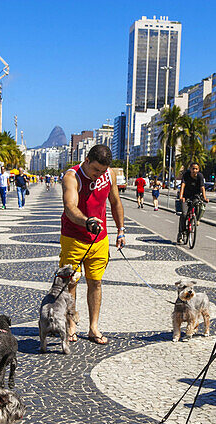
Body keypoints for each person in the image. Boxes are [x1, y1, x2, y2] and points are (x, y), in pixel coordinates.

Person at [60, 143, 126, 346]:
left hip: (99, 240)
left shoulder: (109, 175)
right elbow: (70, 207)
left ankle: (93, 327)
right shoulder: (72, 177)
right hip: (73, 238)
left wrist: (121, 230)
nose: (99, 174)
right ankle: (71, 325)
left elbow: (115, 202)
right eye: (95, 169)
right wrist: (86, 221)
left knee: (95, 283)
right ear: (86, 160)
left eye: (103, 171)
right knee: (71, 282)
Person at [177, 162, 208, 243]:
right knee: (184, 214)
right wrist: (181, 196)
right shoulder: (186, 174)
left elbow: (202, 187)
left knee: (201, 206)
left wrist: (205, 198)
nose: (194, 170)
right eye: (193, 168)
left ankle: (196, 219)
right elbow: (183, 185)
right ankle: (181, 233)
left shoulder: (200, 176)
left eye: (196, 169)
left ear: (198, 169)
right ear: (190, 169)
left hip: (196, 196)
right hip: (186, 196)